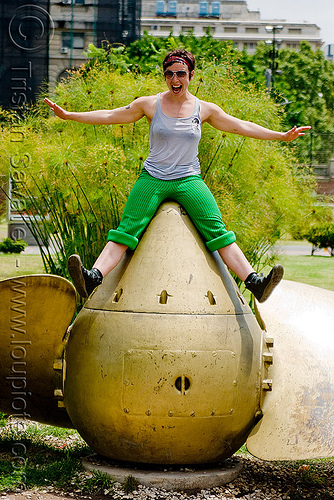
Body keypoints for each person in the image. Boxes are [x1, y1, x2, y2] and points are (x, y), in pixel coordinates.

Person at [44, 49, 310, 303]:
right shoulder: (149, 104)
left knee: (218, 232)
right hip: (153, 178)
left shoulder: (204, 109)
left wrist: (281, 136)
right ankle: (92, 278)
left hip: (188, 180)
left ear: (191, 76)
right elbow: (112, 115)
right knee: (125, 231)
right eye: (170, 73)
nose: (175, 79)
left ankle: (255, 283)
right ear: (164, 76)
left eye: (180, 73)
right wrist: (69, 116)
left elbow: (241, 126)